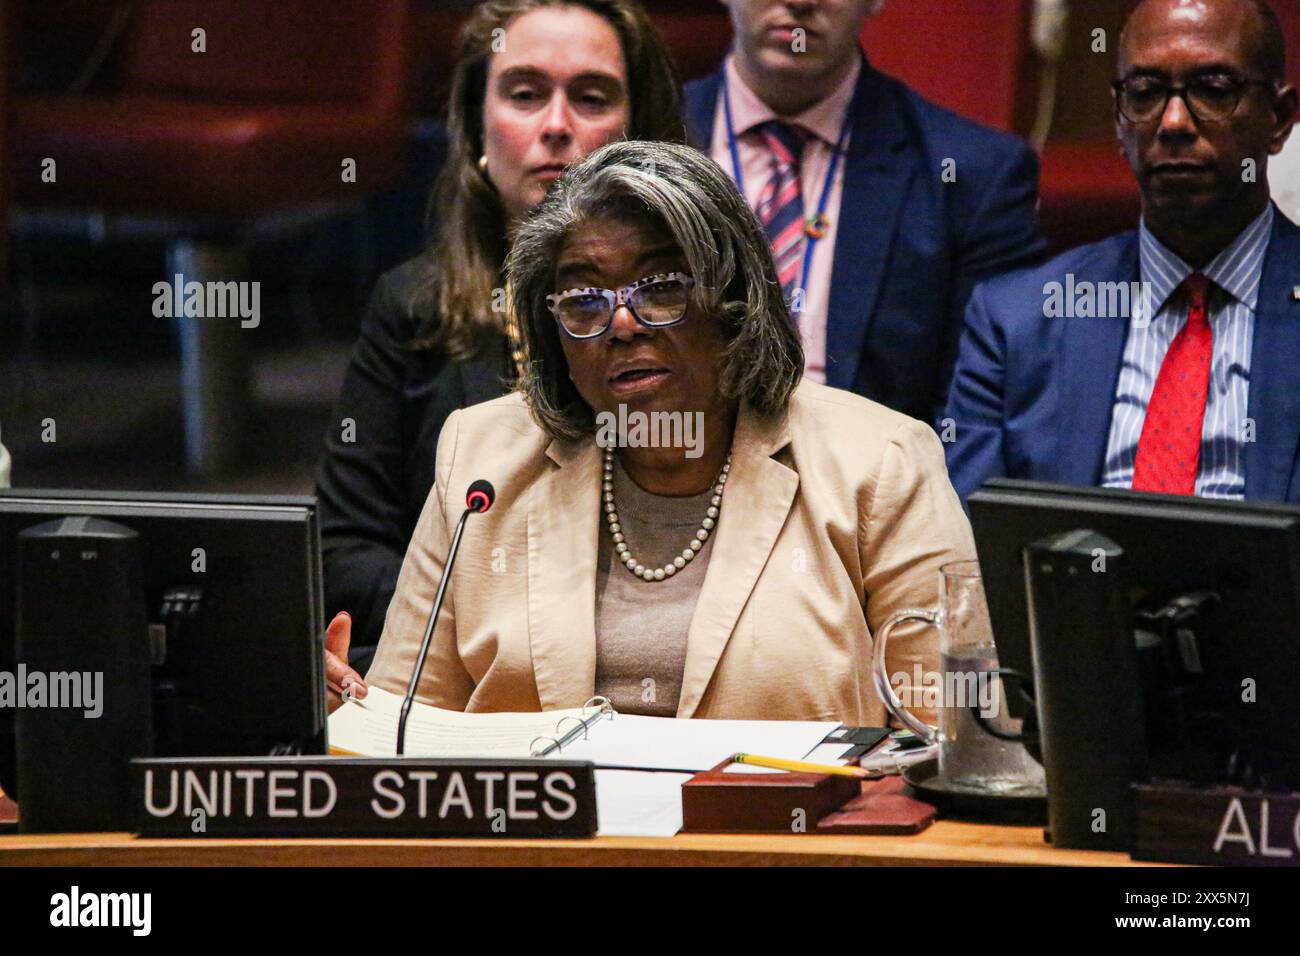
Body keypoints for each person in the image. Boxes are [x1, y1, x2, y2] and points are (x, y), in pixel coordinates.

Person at [331, 140, 975, 725]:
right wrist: (347, 713)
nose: (621, 324)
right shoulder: (479, 460)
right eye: (583, 298)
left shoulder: (880, 462)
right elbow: (405, 729)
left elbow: (953, 736)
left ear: (734, 299)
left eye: (661, 287)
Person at [315, 0, 683, 673]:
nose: (556, 126)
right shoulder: (413, 307)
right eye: (525, 94)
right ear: (476, 125)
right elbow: (343, 550)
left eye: (592, 97)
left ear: (644, 131)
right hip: (465, 671)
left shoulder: (699, 307)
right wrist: (508, 624)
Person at [944, 0, 1299, 505]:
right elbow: (971, 544)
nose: (1173, 122)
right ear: (1119, 119)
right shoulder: (1014, 322)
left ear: (1279, 119)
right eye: (1145, 93)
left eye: (1214, 91)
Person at [682, 0, 1046, 424]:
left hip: (873, 482)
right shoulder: (639, 137)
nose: (801, 4)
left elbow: (977, 416)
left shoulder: (974, 178)